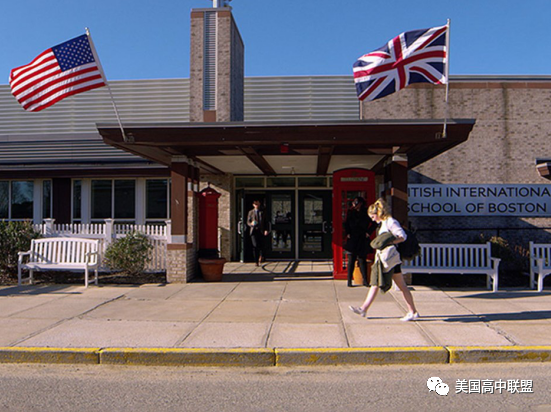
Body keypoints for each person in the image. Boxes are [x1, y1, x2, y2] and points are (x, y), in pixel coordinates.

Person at [349, 198, 420, 321]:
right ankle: (412, 311)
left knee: (377, 282)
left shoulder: (390, 222)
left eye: (372, 216)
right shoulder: (383, 223)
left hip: (390, 259)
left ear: (378, 213)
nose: (372, 219)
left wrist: (389, 242)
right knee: (394, 285)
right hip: (387, 259)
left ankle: (364, 309)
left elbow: (403, 236)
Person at [343, 197, 376, 287]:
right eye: (354, 202)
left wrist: (368, 233)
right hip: (352, 237)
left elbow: (374, 223)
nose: (354, 204)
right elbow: (346, 223)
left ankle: (365, 280)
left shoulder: (366, 212)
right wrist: (348, 233)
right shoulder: (351, 212)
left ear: (361, 203)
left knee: (362, 260)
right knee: (351, 260)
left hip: (362, 237)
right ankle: (349, 280)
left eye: (356, 202)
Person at [247, 200, 268, 266]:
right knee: (255, 245)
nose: (257, 205)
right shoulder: (250, 212)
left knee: (261, 245)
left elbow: (265, 221)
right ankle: (256, 261)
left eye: (258, 204)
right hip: (254, 231)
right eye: (255, 204)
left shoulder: (262, 212)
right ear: (253, 205)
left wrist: (266, 229)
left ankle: (261, 256)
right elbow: (248, 222)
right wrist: (251, 224)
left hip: (261, 230)